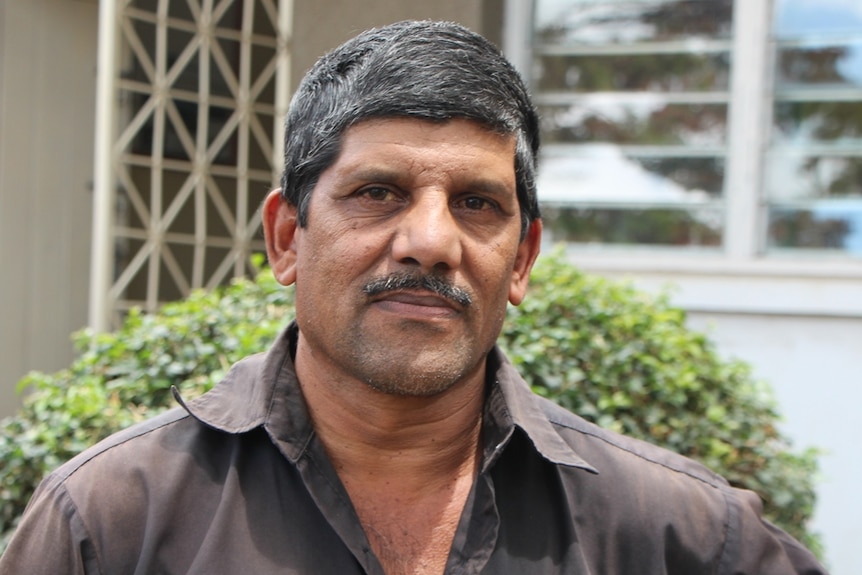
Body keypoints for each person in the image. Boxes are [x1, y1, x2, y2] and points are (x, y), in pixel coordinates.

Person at [0, 20, 826, 575]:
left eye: (477, 203)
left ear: (522, 259)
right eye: (378, 192)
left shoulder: (674, 533)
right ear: (287, 238)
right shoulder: (111, 524)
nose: (430, 241)